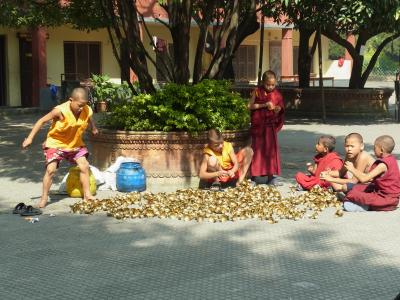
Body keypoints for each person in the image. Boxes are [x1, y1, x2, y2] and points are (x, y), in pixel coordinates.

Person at [22, 87, 98, 208]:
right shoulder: (59, 111)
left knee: (84, 166)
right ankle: (44, 198)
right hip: (56, 143)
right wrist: (30, 138)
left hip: (75, 144)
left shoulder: (86, 109)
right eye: (79, 105)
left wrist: (93, 127)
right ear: (71, 100)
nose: (81, 108)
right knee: (51, 170)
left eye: (84, 105)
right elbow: (41, 121)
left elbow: (89, 117)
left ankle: (87, 195)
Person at [342, 135, 400, 212]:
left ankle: (367, 207)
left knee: (351, 196)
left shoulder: (382, 165)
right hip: (380, 191)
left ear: (381, 150)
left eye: (375, 148)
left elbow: (363, 179)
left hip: (386, 199)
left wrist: (352, 169)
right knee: (350, 187)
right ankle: (363, 202)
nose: (374, 150)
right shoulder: (392, 159)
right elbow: (369, 177)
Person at [249, 70, 284, 184]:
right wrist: (264, 105)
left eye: (273, 85)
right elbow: (250, 106)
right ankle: (254, 176)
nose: (270, 87)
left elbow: (280, 109)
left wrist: (278, 110)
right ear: (263, 82)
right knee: (257, 151)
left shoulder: (277, 95)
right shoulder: (257, 92)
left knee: (270, 151)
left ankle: (271, 176)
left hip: (270, 127)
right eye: (268, 84)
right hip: (258, 127)